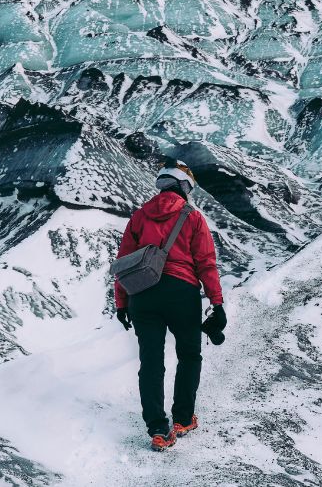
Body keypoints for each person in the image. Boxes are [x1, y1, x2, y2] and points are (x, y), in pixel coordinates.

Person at [113, 159, 226, 451]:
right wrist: (216, 302)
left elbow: (124, 263)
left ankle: (159, 430)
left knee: (151, 362)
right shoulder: (193, 217)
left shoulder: (139, 217)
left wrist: (122, 303)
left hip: (143, 295)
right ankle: (183, 418)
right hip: (181, 293)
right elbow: (206, 263)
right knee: (189, 354)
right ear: (185, 187)